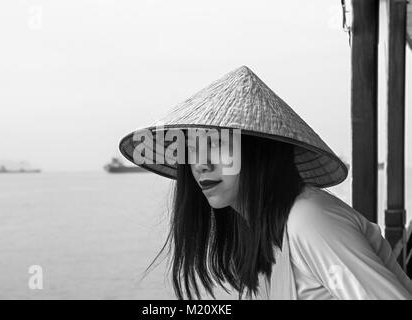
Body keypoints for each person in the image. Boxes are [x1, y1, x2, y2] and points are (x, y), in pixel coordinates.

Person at [118, 66, 412, 300]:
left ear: (260, 152)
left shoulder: (308, 220)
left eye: (219, 145)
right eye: (193, 149)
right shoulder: (261, 230)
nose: (201, 165)